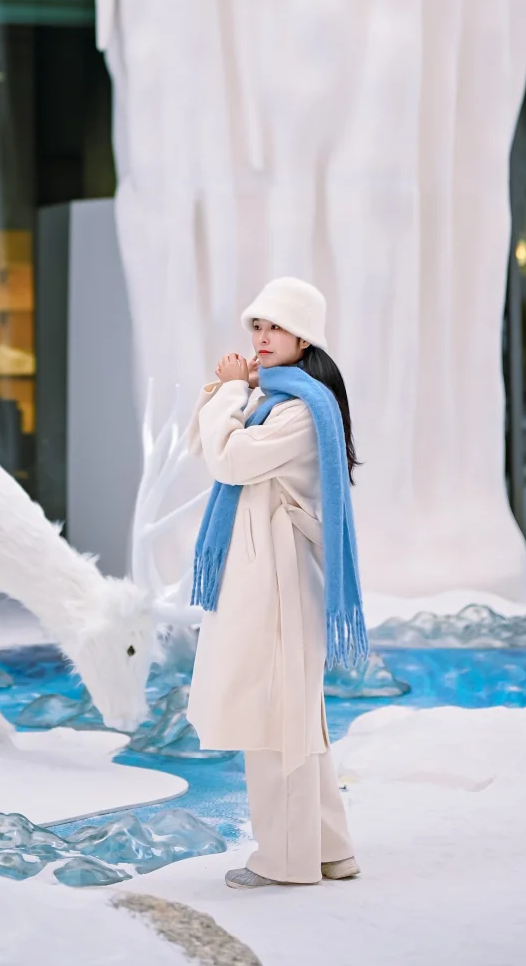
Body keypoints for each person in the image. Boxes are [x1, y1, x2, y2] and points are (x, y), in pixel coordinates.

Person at [185, 276, 368, 889]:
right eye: (255, 328)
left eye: (274, 327)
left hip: (280, 580)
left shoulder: (296, 409)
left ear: (302, 336)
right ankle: (330, 849)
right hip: (274, 573)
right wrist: (232, 392)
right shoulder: (278, 399)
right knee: (294, 713)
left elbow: (229, 459)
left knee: (275, 716)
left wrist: (232, 390)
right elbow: (205, 444)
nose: (261, 339)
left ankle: (286, 860)